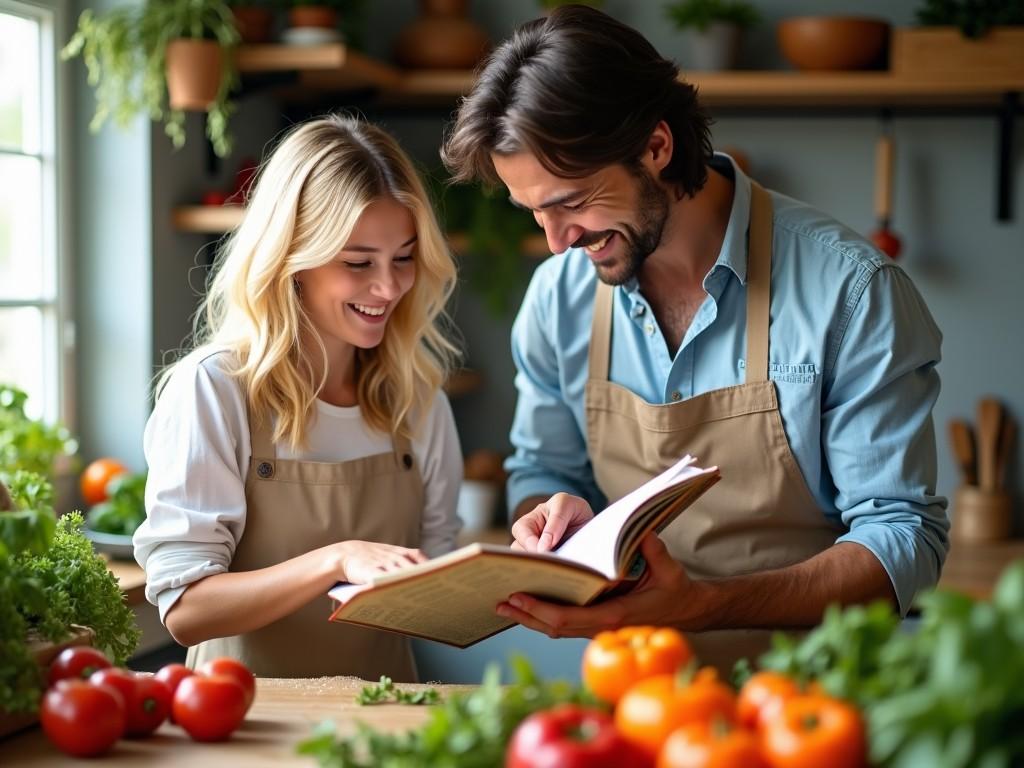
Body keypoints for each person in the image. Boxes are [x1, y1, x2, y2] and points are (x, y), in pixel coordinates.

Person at [441, 6, 948, 670]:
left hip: (810, 695)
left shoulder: (850, 292)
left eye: (571, 201)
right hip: (634, 688)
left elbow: (901, 540)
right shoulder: (558, 300)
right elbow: (546, 471)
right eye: (533, 210)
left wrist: (705, 604)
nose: (556, 240)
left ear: (656, 147)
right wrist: (552, 517)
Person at [134, 116, 463, 680]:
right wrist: (334, 559)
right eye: (358, 263)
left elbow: (432, 591)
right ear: (291, 261)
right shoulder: (215, 390)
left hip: (388, 723)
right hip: (242, 725)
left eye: (403, 257)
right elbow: (184, 611)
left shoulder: (418, 397)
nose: (388, 287)